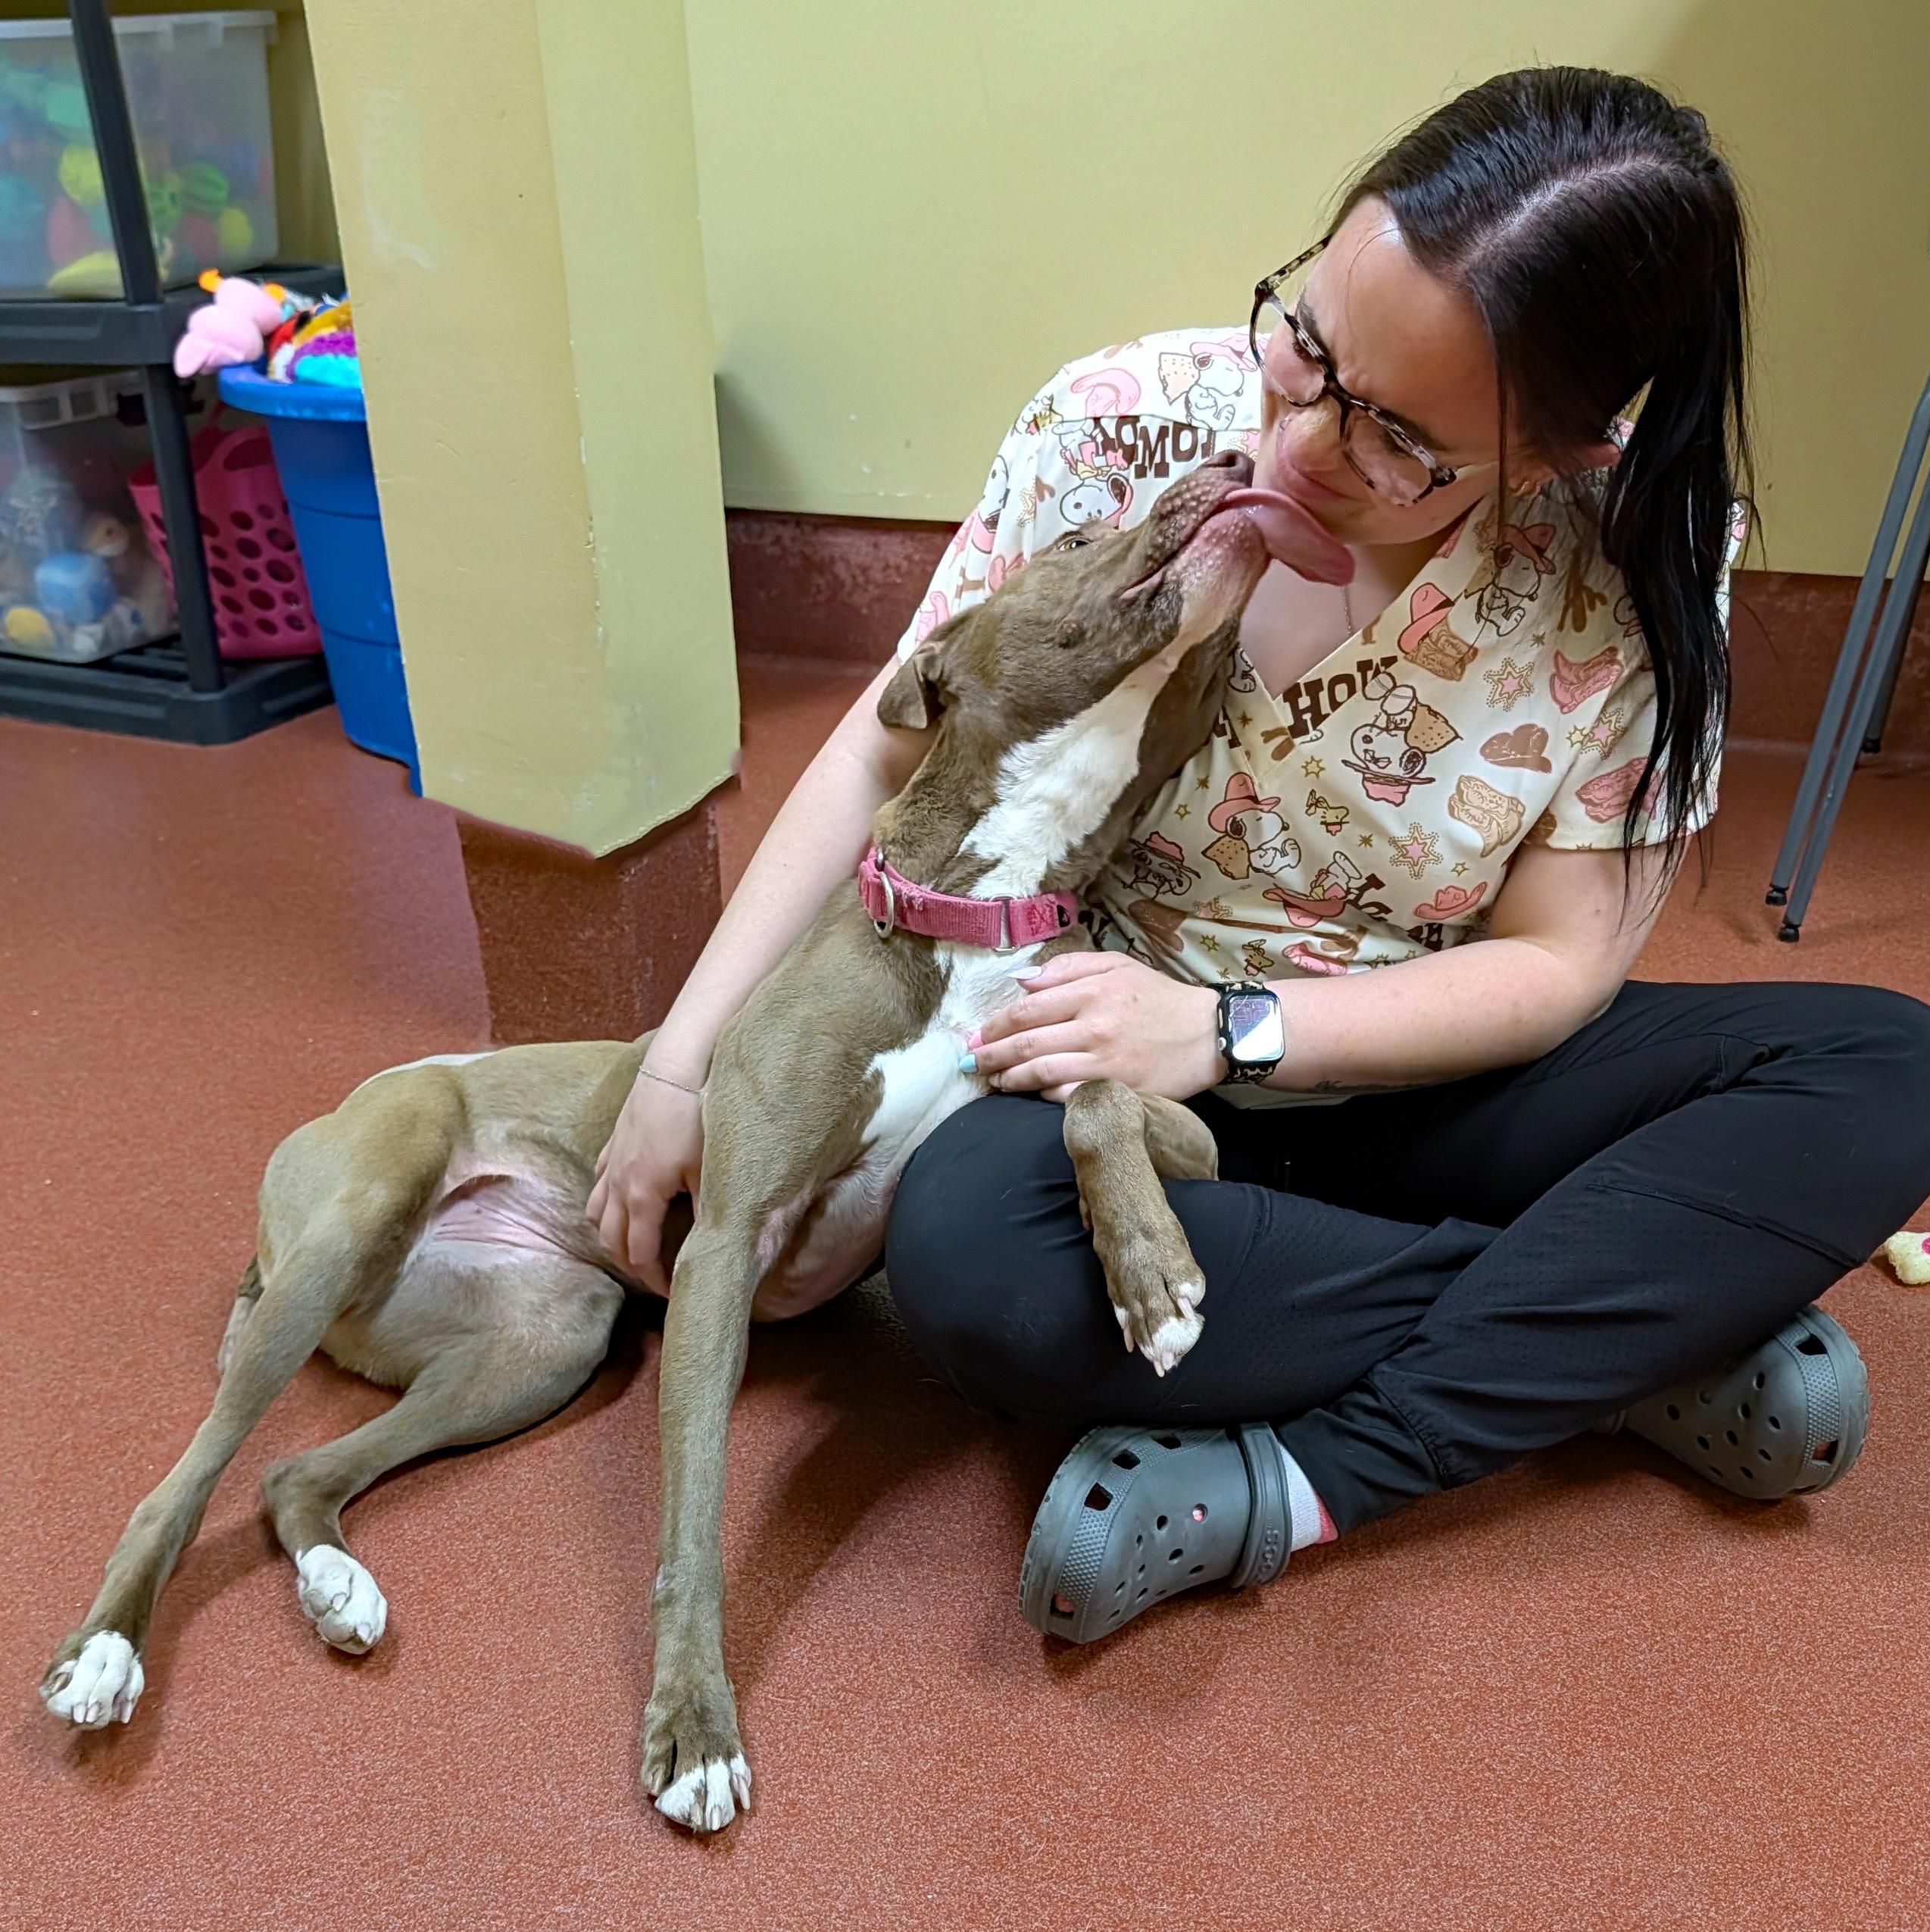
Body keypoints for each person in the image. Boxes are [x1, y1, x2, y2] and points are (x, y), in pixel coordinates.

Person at [590, 67, 1930, 1641]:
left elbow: (1561, 959)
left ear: (1561, 455)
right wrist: (682, 1061)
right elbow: (892, 745)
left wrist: (1231, 1034)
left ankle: (1319, 1469)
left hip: (1400, 1072)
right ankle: (1622, 1328)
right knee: (972, 1264)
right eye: (1304, 343)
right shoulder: (1117, 427)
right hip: (1097, 1108)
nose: (1298, 439)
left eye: (1395, 442)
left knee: (1883, 1065)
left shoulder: (1632, 562)